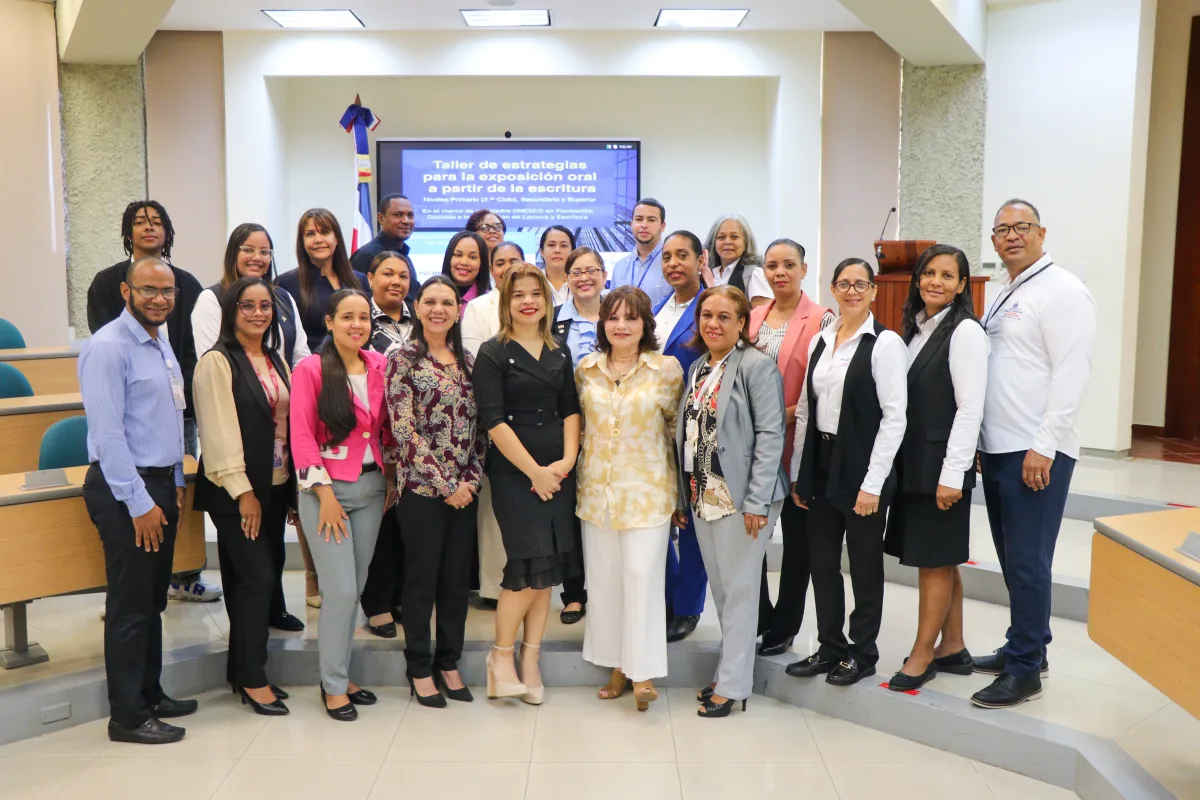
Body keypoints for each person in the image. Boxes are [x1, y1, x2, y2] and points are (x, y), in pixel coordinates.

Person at [971, 200, 1095, 709]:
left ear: (1041, 232)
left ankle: (1024, 673)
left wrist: (1044, 446)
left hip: (1035, 451)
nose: (1011, 236)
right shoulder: (1004, 290)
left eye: (1021, 227)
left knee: (1028, 562)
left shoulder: (1063, 291)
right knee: (1013, 559)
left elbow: (1072, 373)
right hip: (1000, 447)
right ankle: (1026, 646)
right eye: (1002, 230)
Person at [79, 256, 199, 745]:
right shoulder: (108, 347)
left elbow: (166, 417)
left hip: (157, 484)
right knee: (130, 606)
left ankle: (151, 692)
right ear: (127, 292)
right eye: (149, 290)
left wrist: (172, 479)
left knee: (152, 601)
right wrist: (138, 502)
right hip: (124, 488)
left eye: (167, 291)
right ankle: (127, 716)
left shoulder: (160, 343)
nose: (160, 299)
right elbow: (108, 437)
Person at [86, 201, 219, 604]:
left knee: (151, 597)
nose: (149, 228)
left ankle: (181, 576)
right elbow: (110, 433)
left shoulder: (184, 288)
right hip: (131, 453)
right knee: (133, 595)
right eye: (140, 222)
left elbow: (196, 347)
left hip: (172, 427)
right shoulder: (109, 325)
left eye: (157, 222)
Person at [786, 258, 908, 687]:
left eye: (860, 284)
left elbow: (895, 418)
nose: (852, 291)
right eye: (843, 284)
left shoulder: (886, 344)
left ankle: (863, 652)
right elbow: (804, 410)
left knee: (863, 565)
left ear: (873, 291)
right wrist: (801, 472)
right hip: (821, 464)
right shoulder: (821, 340)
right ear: (833, 290)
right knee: (822, 561)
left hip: (862, 465)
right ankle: (830, 646)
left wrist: (873, 483)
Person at [676, 285, 788, 718]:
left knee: (740, 593)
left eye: (724, 317)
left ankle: (735, 684)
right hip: (704, 494)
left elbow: (771, 436)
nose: (713, 324)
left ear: (743, 323)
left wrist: (758, 502)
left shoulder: (757, 367)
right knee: (723, 593)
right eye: (706, 315)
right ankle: (730, 672)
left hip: (744, 499)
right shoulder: (701, 367)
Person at [474, 265, 582, 705]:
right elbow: (493, 420)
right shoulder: (492, 352)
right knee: (525, 567)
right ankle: (500, 657)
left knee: (546, 571)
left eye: (535, 293)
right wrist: (535, 472)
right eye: (517, 294)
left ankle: (530, 659)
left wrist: (567, 461)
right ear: (506, 301)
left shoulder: (559, 350)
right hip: (515, 474)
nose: (527, 301)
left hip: (558, 470)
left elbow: (570, 408)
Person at [883, 244, 988, 691]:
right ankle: (953, 644)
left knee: (933, 562)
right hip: (916, 462)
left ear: (962, 285)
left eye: (948, 276)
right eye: (929, 273)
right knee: (941, 557)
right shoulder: (920, 329)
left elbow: (970, 408)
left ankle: (923, 653)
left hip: (941, 467)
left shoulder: (964, 332)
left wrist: (953, 475)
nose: (936, 282)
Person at [290, 289, 396, 721]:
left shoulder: (380, 365)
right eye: (347, 317)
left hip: (371, 491)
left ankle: (340, 671)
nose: (357, 325)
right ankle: (333, 684)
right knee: (340, 591)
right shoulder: (311, 369)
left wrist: (389, 478)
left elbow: (387, 428)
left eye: (363, 318)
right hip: (326, 494)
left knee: (356, 586)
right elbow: (301, 437)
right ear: (330, 322)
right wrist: (325, 495)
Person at [577, 286, 683, 712]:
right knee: (604, 583)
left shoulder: (666, 370)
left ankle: (642, 673)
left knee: (641, 577)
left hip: (649, 492)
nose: (621, 325)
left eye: (631, 318)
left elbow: (677, 433)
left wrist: (679, 496)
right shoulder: (586, 369)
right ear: (603, 323)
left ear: (645, 325)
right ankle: (616, 667)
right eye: (613, 317)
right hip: (597, 493)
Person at [192, 278, 294, 715]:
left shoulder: (273, 358)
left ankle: (241, 671)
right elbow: (217, 434)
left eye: (265, 305)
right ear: (231, 311)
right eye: (247, 306)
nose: (258, 313)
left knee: (247, 579)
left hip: (273, 485)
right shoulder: (217, 362)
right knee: (258, 580)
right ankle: (254, 679)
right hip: (237, 492)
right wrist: (243, 493)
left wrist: (286, 490)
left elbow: (283, 428)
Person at [386, 275, 488, 708]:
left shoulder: (467, 359)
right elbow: (403, 429)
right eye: (430, 301)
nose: (438, 309)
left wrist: (470, 481)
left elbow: (480, 429)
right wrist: (446, 485)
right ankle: (419, 667)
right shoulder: (403, 358)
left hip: (464, 491)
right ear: (417, 306)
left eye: (447, 302)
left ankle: (449, 662)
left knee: (453, 584)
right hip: (422, 493)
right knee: (422, 581)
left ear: (458, 310)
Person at [748, 238, 834, 657]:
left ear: (803, 268)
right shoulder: (752, 317)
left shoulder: (821, 318)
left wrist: (779, 416)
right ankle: (759, 617)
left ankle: (785, 626)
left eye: (788, 265)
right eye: (771, 265)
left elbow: (822, 385)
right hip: (752, 448)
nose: (779, 272)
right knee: (752, 539)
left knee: (797, 541)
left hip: (796, 443)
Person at [462, 240, 528, 608]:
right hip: (494, 417)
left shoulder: (537, 302)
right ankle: (492, 586)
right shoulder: (478, 307)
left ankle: (527, 579)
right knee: (492, 510)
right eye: (499, 262)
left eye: (513, 261)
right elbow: (474, 362)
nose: (505, 267)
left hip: (534, 419)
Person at [653, 231, 708, 643]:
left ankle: (688, 607)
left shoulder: (710, 306)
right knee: (661, 518)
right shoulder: (659, 307)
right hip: (656, 427)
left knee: (690, 521)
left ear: (700, 259)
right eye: (667, 256)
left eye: (682, 255)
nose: (674, 263)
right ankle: (669, 597)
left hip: (694, 427)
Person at [549, 246, 608, 625]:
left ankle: (604, 588)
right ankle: (573, 593)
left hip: (611, 430)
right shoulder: (552, 321)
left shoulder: (620, 315)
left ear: (604, 275)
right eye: (576, 271)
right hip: (564, 427)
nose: (584, 277)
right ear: (566, 279)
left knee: (603, 508)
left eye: (592, 270)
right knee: (568, 511)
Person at [360, 250, 415, 638]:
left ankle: (400, 596)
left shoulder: (421, 318)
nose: (396, 281)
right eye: (388, 274)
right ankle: (377, 602)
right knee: (379, 522)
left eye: (403, 275)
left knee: (408, 525)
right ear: (370, 278)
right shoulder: (361, 321)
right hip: (376, 434)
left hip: (418, 440)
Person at [192, 223, 310, 369]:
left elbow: (302, 358)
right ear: (233, 254)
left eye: (264, 252)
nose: (257, 257)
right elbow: (211, 363)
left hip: (286, 389)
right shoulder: (211, 299)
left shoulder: (283, 298)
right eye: (248, 250)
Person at [276, 208, 367, 354]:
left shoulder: (359, 280)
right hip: (312, 367)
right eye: (310, 234)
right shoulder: (286, 283)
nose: (318, 240)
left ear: (336, 238)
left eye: (324, 232)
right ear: (302, 242)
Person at [351, 194, 415, 297]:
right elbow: (359, 300)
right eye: (398, 215)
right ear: (381, 218)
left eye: (410, 215)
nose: (406, 221)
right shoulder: (367, 255)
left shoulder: (403, 254)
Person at [610, 198, 671, 306]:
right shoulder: (619, 267)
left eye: (651, 220)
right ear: (631, 224)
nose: (644, 225)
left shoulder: (673, 264)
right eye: (639, 219)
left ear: (662, 226)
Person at [701, 214, 771, 307]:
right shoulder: (707, 274)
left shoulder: (753, 274)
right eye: (721, 237)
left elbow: (763, 317)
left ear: (746, 241)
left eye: (734, 237)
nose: (727, 242)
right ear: (713, 242)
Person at [441, 230, 491, 309]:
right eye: (458, 255)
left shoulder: (491, 302)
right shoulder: (432, 295)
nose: (464, 262)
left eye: (472, 257)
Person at [539, 225, 576, 306]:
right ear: (541, 251)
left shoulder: (581, 282)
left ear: (572, 252)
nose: (557, 250)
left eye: (563, 246)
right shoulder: (533, 281)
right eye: (551, 245)